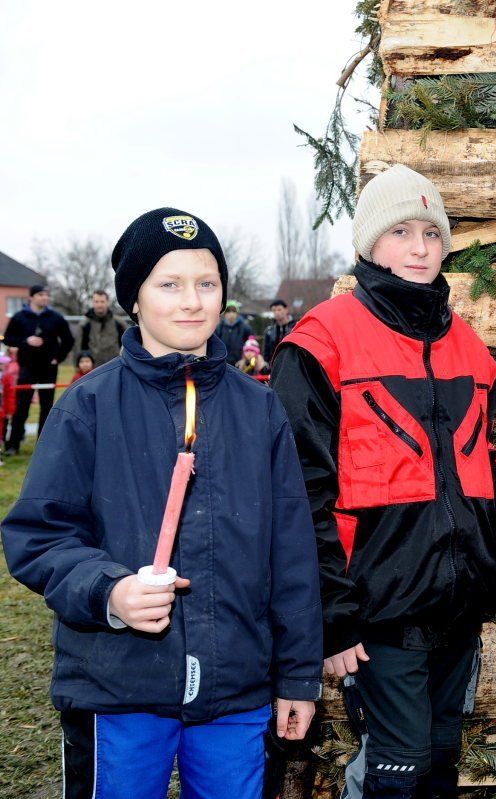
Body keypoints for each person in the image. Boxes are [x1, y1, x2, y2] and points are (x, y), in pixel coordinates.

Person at [1, 208, 323, 799]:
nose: (192, 301)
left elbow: (293, 553)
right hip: (118, 687)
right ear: (135, 297)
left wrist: (299, 675)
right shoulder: (88, 406)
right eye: (169, 284)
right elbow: (39, 536)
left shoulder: (260, 410)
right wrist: (110, 592)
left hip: (237, 689)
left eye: (206, 283)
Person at [271, 165, 496, 799]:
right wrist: (332, 615)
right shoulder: (321, 343)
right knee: (397, 772)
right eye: (400, 232)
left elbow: (480, 456)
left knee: (440, 762)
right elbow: (297, 494)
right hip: (377, 614)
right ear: (370, 243)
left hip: (458, 607)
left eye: (432, 233)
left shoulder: (465, 344)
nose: (420, 248)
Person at [2, 284, 75, 454]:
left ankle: (43, 446)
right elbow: (8, 339)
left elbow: (68, 340)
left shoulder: (55, 317)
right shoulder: (20, 317)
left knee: (47, 407)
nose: (45, 297)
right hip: (27, 368)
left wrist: (58, 358)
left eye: (46, 295)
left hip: (48, 369)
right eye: (41, 294)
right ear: (31, 297)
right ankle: (13, 445)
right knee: (21, 407)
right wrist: (25, 341)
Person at [78, 288, 126, 366]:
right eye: (96, 301)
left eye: (102, 301)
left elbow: (126, 346)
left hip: (116, 366)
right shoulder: (84, 324)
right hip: (93, 369)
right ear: (92, 302)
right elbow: (79, 349)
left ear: (107, 302)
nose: (99, 305)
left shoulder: (119, 323)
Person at [261, 298, 295, 372]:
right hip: (274, 368)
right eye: (274, 310)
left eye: (279, 309)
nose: (276, 312)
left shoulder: (295, 328)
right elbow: (266, 353)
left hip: (291, 367)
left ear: (286, 310)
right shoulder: (269, 331)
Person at [215, 299, 253, 365]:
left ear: (237, 313)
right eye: (228, 311)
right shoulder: (219, 328)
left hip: (240, 365)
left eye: (233, 311)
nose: (231, 314)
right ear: (225, 313)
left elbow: (251, 346)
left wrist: (244, 359)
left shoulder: (245, 328)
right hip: (223, 364)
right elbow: (215, 347)